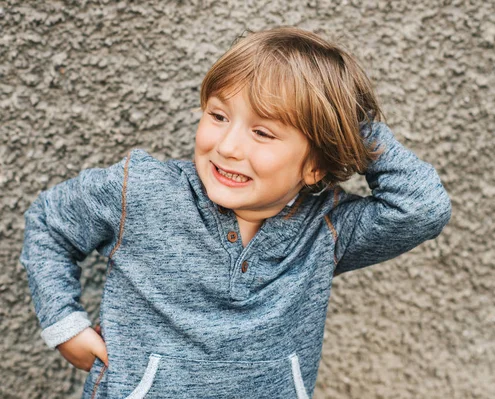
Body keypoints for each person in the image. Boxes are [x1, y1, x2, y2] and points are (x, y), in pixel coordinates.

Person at [20, 26, 452, 399]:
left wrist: (351, 121)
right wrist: (64, 322)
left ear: (315, 164)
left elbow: (422, 208)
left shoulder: (327, 227)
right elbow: (49, 224)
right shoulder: (141, 190)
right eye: (219, 115)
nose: (227, 146)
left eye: (262, 131)